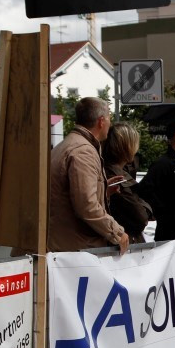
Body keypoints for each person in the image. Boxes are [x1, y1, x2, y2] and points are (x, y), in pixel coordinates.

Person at [48, 97, 129, 254]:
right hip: (74, 249)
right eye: (109, 119)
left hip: (64, 245)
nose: (110, 125)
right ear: (101, 121)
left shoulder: (67, 145)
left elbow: (69, 196)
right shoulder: (83, 151)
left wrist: (102, 190)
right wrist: (117, 233)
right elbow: (86, 205)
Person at [102, 122, 152, 244]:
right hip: (121, 246)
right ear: (127, 147)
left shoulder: (116, 172)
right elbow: (141, 218)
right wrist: (146, 208)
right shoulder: (116, 177)